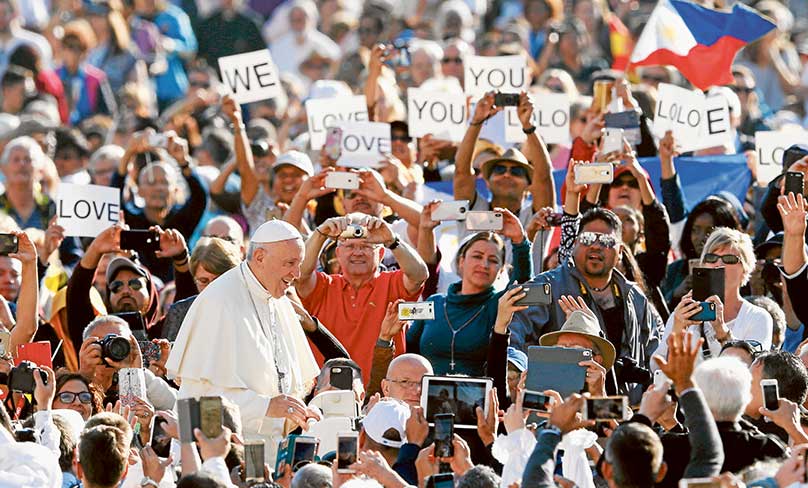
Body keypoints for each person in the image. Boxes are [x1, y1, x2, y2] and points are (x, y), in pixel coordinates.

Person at [166, 220, 325, 464]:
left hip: (267, 450)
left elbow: (286, 381)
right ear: (259, 257)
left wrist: (299, 412)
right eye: (289, 264)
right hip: (221, 452)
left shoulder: (277, 299)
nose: (296, 274)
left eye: (299, 264)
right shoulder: (218, 300)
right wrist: (264, 407)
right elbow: (200, 394)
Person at [510, 208, 663, 400]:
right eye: (588, 238)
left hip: (621, 410)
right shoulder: (545, 287)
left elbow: (656, 352)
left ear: (621, 251)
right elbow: (513, 335)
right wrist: (525, 374)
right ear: (574, 244)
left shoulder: (635, 296)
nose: (596, 246)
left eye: (607, 241)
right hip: (559, 407)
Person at [297, 213, 428, 383]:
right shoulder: (323, 286)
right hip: (327, 395)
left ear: (381, 254)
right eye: (350, 246)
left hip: (382, 396)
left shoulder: (392, 283)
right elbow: (300, 276)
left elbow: (419, 275)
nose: (357, 253)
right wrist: (320, 233)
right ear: (338, 253)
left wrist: (392, 240)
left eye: (366, 246)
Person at [406, 203, 531, 375]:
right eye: (477, 256)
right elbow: (408, 350)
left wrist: (520, 240)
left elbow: (521, 285)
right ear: (461, 261)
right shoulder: (434, 303)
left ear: (502, 270)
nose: (484, 265)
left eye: (493, 260)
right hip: (424, 395)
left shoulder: (498, 305)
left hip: (478, 398)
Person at [657, 227, 773, 361]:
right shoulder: (684, 313)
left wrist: (723, 334)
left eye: (729, 259)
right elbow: (657, 368)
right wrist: (677, 330)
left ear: (745, 269)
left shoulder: (758, 317)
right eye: (711, 258)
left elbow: (754, 369)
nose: (718, 264)